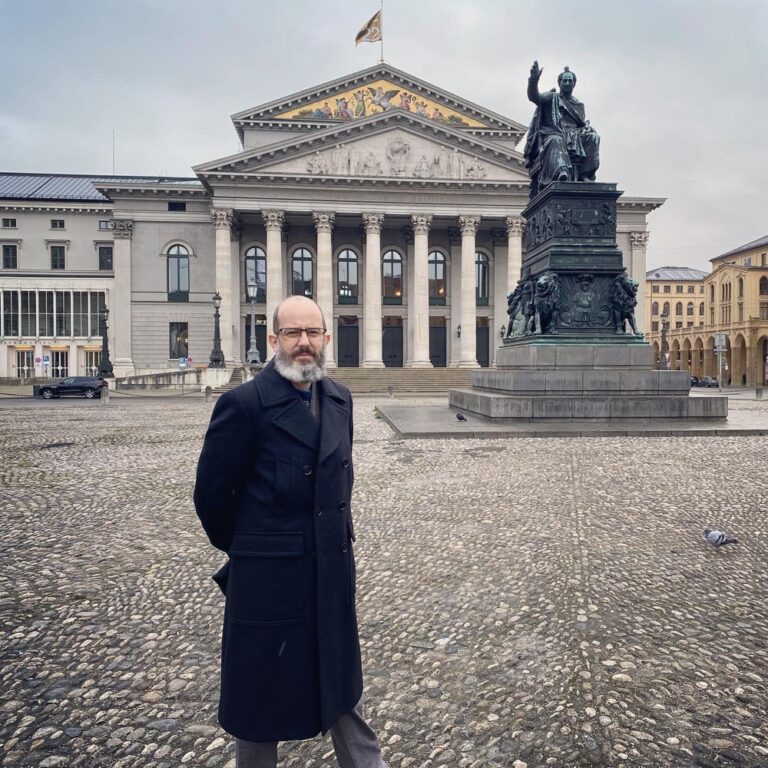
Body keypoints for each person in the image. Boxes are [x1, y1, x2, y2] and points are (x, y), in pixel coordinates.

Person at [194, 295, 387, 768]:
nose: (305, 343)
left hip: (332, 571)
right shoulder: (242, 405)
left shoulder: (340, 399)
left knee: (343, 688)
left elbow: (340, 482)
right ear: (273, 340)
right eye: (293, 334)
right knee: (258, 703)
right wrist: (257, 549)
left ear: (325, 338)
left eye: (313, 333)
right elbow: (212, 498)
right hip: (269, 583)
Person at [523, 60, 600, 197]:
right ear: (560, 83)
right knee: (556, 140)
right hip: (553, 133)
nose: (567, 83)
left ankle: (585, 175)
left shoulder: (578, 105)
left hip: (574, 135)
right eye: (565, 81)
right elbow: (534, 96)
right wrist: (533, 80)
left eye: (570, 81)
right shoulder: (551, 97)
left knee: (593, 137)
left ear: (574, 84)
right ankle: (561, 172)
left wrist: (587, 129)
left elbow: (580, 124)